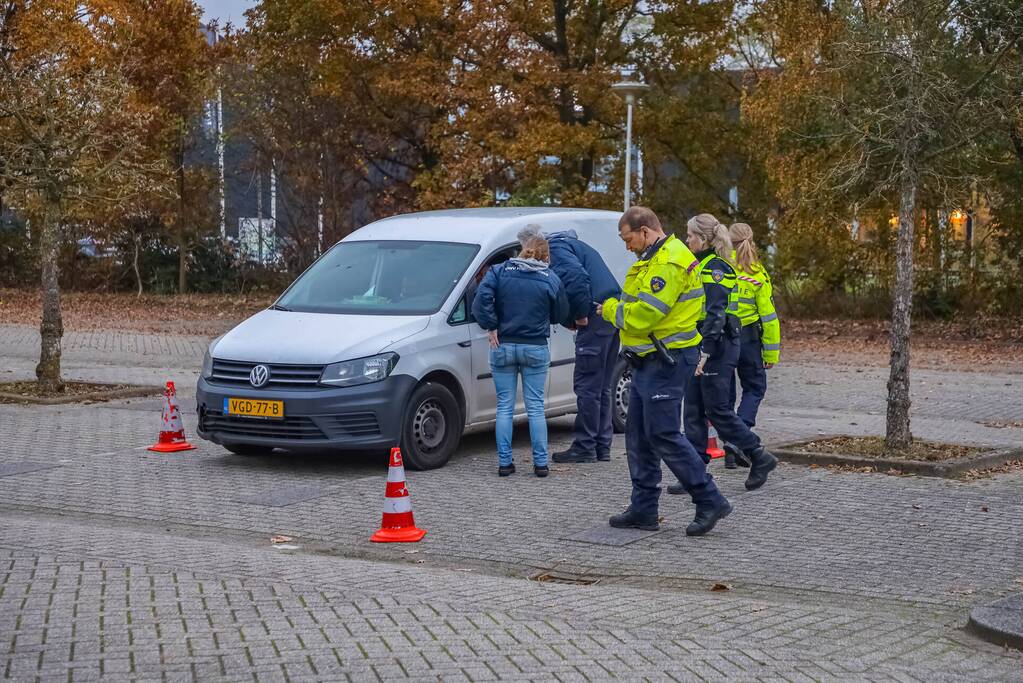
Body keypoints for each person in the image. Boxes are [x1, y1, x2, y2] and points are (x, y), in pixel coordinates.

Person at [597, 206, 732, 537]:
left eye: (628, 239)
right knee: (639, 436)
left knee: (664, 434)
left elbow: (646, 314)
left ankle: (709, 498)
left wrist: (610, 310)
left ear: (644, 231)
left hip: (667, 360)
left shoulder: (669, 260)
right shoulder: (651, 259)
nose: (626, 246)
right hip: (648, 359)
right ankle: (644, 508)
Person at [667, 213, 776, 494]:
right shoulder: (697, 264)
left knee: (718, 409)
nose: (686, 239)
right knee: (692, 410)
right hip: (697, 344)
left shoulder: (717, 268)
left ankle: (758, 455)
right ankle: (694, 472)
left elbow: (716, 315)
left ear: (703, 239)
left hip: (717, 347)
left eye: (690, 235)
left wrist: (705, 352)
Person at [515, 224, 622, 465]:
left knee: (587, 386)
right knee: (602, 386)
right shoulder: (573, 245)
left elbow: (575, 278)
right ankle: (600, 446)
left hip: (595, 314)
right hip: (610, 313)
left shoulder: (557, 249)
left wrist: (580, 313)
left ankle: (585, 446)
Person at [472, 235, 569, 477]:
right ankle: (541, 465)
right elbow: (560, 313)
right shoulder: (550, 278)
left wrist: (491, 324)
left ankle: (505, 464)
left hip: (502, 345)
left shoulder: (499, 271)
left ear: (522, 250)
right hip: (535, 348)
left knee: (504, 406)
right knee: (535, 408)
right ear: (546, 255)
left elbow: (480, 299)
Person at [722, 222, 781, 468]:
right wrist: (771, 352)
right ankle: (739, 439)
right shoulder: (757, 273)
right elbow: (768, 317)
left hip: (723, 336)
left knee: (725, 394)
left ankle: (730, 451)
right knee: (755, 388)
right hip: (748, 338)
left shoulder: (719, 267)